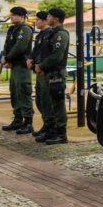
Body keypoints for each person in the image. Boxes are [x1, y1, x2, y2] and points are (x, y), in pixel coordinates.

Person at [35, 8, 69, 145]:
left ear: (55, 18)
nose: (47, 17)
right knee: (47, 103)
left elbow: (57, 56)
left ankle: (62, 134)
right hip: (48, 73)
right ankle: (51, 130)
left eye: (49, 16)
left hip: (56, 73)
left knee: (57, 104)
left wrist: (42, 65)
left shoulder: (61, 34)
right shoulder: (50, 33)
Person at [1, 7, 34, 133]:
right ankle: (18, 119)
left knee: (23, 92)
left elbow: (20, 47)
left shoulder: (25, 29)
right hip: (14, 66)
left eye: (15, 15)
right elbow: (7, 45)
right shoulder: (12, 29)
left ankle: (28, 122)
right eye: (12, 15)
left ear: (22, 16)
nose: (12, 17)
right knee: (14, 92)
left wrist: (8, 58)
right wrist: (5, 57)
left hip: (22, 66)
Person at [27, 11, 54, 142]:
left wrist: (42, 66)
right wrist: (30, 60)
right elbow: (35, 51)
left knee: (47, 101)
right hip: (38, 71)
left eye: (38, 20)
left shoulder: (50, 34)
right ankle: (45, 124)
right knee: (39, 100)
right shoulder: (40, 35)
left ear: (44, 21)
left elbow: (49, 54)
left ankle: (50, 127)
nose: (36, 22)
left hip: (45, 71)